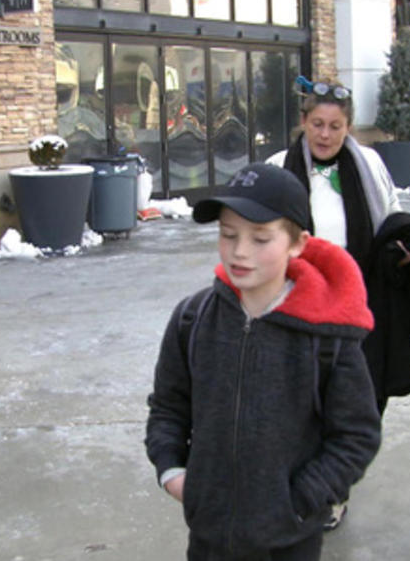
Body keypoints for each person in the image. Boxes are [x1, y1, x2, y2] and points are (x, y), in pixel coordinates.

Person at [144, 163, 382, 561]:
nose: (240, 252)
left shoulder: (326, 337)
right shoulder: (192, 319)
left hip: (288, 542)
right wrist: (174, 473)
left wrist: (301, 500)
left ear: (297, 244)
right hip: (208, 538)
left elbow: (356, 435)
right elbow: (168, 407)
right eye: (228, 234)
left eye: (260, 238)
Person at [268, 78, 410, 530]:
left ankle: (332, 489)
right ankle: (302, 482)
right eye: (317, 124)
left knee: (354, 399)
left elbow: (390, 216)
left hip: (358, 302)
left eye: (335, 126)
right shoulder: (276, 166)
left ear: (349, 127)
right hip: (297, 302)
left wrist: (402, 253)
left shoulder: (369, 164)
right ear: (303, 122)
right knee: (300, 400)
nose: (325, 135)